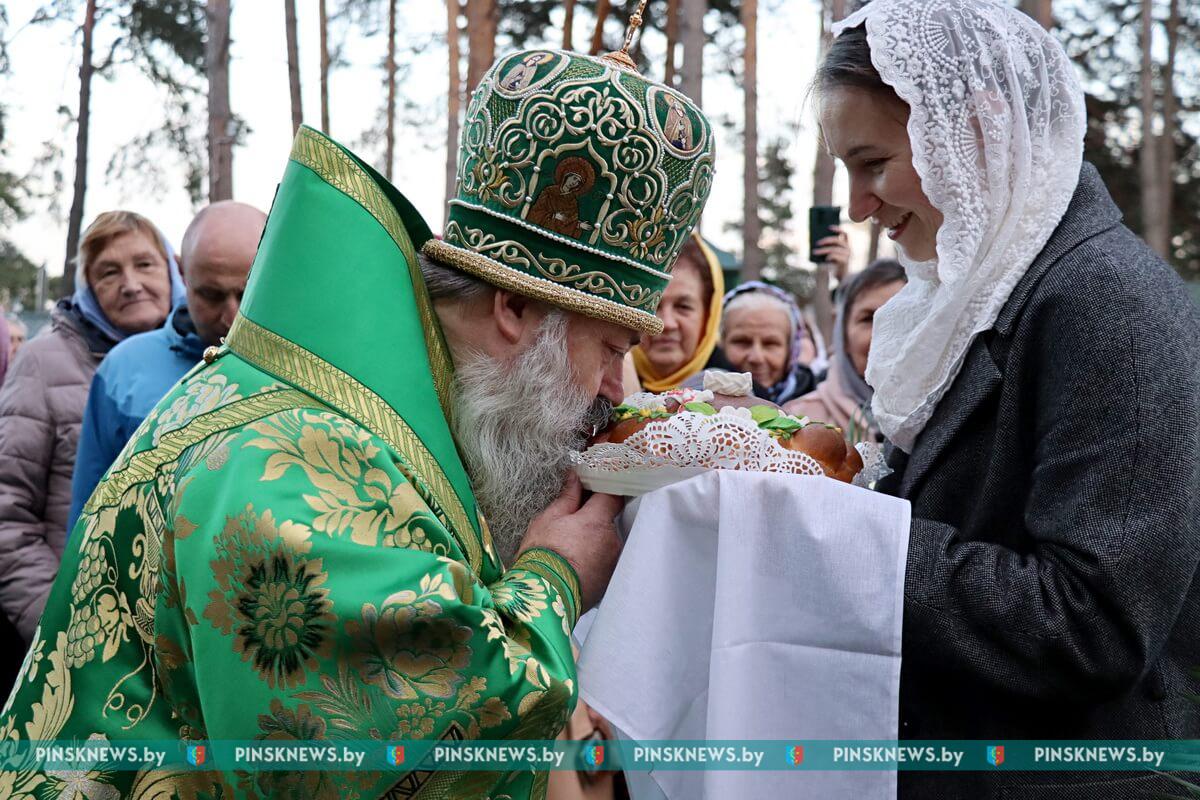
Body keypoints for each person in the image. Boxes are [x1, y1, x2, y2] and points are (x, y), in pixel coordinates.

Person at [0, 37, 715, 800]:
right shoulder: (301, 450)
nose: (616, 386)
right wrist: (556, 578)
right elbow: (385, 751)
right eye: (610, 346)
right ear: (513, 308)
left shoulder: (377, 410)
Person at [818, 1, 1199, 797]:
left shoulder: (1107, 304)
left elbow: (1090, 625)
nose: (858, 206)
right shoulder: (984, 298)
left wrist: (848, 532)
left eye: (873, 162)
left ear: (981, 127)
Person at [0, 210, 182, 654]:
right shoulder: (43, 363)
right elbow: (8, 514)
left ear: (173, 270)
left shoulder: (205, 357)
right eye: (109, 272)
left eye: (144, 264)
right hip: (79, 632)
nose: (131, 283)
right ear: (88, 286)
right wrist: (62, 628)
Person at [67, 201, 267, 531]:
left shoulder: (307, 362)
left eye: (247, 293)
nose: (231, 317)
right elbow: (87, 518)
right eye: (211, 295)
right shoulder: (123, 369)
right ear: (182, 272)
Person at [784, 258, 905, 444]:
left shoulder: (949, 419)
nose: (882, 333)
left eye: (899, 316)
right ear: (843, 337)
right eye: (867, 318)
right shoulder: (797, 421)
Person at [631, 232, 724, 392]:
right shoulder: (596, 390)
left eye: (683, 307)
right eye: (652, 306)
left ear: (708, 316)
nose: (666, 324)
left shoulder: (740, 397)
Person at [718, 282, 816, 405]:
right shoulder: (695, 403)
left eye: (770, 344)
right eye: (742, 342)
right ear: (721, 343)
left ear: (790, 351)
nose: (756, 358)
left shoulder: (817, 409)